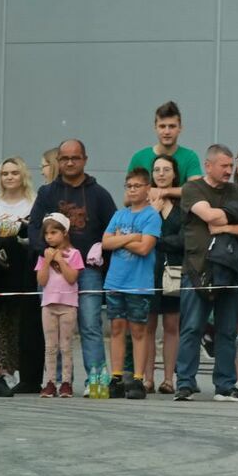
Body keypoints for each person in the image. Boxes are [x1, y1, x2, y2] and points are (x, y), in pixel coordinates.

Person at [27, 139, 117, 395]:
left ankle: (95, 379)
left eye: (75, 158)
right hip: (52, 268)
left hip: (87, 270)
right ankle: (56, 381)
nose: (69, 162)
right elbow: (34, 227)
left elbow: (113, 227)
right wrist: (44, 251)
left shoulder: (99, 194)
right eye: (64, 158)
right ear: (59, 161)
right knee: (52, 332)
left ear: (85, 160)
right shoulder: (47, 193)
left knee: (90, 324)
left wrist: (102, 250)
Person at [176, 145, 238, 402]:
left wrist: (229, 227)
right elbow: (208, 215)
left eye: (230, 165)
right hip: (197, 269)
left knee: (227, 330)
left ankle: (225, 385)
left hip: (231, 269)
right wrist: (237, 214)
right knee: (191, 328)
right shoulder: (193, 189)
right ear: (208, 165)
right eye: (223, 166)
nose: (229, 170)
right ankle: (185, 383)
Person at [101, 168, 161, 400]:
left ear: (147, 188)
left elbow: (146, 247)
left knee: (138, 330)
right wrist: (131, 238)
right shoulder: (119, 215)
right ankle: (116, 377)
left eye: (137, 186)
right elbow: (106, 242)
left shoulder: (151, 216)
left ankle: (137, 378)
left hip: (138, 282)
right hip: (116, 280)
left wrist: (119, 240)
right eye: (129, 186)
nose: (133, 190)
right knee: (116, 328)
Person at [0, 157, 43, 394]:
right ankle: (3, 370)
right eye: (5, 173)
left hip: (24, 268)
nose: (9, 177)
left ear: (22, 175)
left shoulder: (33, 203)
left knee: (22, 321)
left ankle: (23, 370)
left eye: (14, 172)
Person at [146, 154, 183, 395]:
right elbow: (140, 236)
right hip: (148, 270)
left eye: (166, 169)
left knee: (171, 325)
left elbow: (184, 240)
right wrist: (152, 213)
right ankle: (146, 378)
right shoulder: (144, 203)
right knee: (147, 326)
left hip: (175, 271)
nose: (161, 173)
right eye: (157, 169)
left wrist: (157, 240)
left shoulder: (184, 206)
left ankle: (169, 379)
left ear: (174, 174)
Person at [35, 213, 82, 398]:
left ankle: (66, 382)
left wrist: (60, 260)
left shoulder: (74, 254)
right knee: (50, 346)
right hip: (48, 305)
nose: (49, 237)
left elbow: (72, 278)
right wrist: (47, 261)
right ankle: (50, 382)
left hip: (68, 305)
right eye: (46, 233)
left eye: (53, 232)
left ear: (64, 232)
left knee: (66, 346)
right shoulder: (43, 255)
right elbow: (42, 280)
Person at [128, 101, 203, 200]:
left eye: (172, 126)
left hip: (180, 214)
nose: (167, 132)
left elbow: (196, 191)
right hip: (147, 213)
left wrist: (163, 192)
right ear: (155, 128)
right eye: (162, 126)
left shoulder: (190, 157)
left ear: (180, 128)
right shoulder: (139, 158)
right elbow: (127, 198)